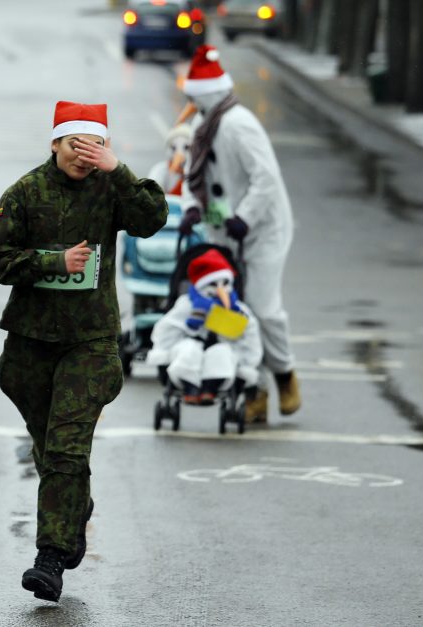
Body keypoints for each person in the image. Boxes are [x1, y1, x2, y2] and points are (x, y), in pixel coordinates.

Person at [0, 101, 167, 603]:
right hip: (29, 344)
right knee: (50, 449)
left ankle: (50, 558)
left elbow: (153, 219)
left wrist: (120, 171)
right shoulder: (24, 192)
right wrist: (53, 262)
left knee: (66, 448)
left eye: (94, 147)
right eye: (75, 145)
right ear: (55, 143)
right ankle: (74, 505)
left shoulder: (111, 188)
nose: (83, 156)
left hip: (89, 342)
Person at [178, 45, 301, 423]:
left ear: (208, 93)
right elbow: (194, 177)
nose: (191, 104)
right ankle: (254, 391)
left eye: (194, 97)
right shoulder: (203, 128)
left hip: (263, 229)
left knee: (263, 309)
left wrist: (245, 217)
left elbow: (266, 177)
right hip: (225, 231)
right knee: (230, 311)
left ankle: (284, 372)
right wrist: (192, 209)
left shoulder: (239, 124)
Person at [147, 248, 262, 404]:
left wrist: (247, 360)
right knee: (188, 350)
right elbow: (168, 327)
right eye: (213, 284)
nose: (220, 289)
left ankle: (210, 387)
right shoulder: (187, 304)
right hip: (191, 342)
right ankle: (190, 386)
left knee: (221, 353)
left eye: (225, 283)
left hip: (222, 344)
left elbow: (250, 332)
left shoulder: (237, 308)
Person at [147, 122, 193, 196]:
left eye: (186, 148)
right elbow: (153, 192)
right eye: (174, 148)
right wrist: (173, 171)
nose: (180, 154)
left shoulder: (195, 171)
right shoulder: (160, 169)